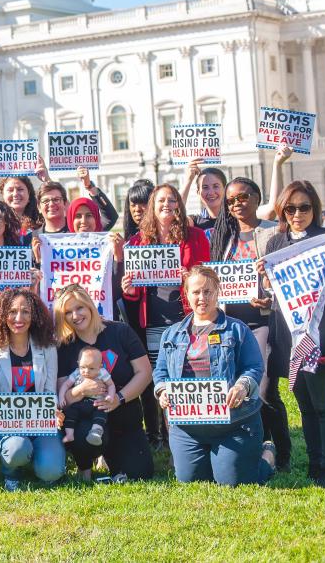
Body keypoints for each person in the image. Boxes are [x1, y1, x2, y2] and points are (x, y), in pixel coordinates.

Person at [153, 266, 275, 486]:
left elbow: (254, 367)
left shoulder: (237, 330)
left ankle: (267, 457)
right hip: (187, 427)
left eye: (208, 291)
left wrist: (242, 386)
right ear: (187, 294)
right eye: (196, 292)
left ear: (218, 292)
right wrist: (162, 390)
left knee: (233, 484)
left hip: (234, 422)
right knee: (191, 482)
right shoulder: (170, 334)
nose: (202, 298)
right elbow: (160, 371)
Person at [208, 177, 290, 470]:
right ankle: (256, 446)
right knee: (237, 389)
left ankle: (282, 452)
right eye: (231, 201)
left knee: (265, 390)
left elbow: (286, 278)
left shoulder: (274, 233)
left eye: (243, 197)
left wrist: (271, 298)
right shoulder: (222, 237)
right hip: (231, 326)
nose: (237, 204)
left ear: (257, 197)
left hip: (264, 322)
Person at [261, 181, 325, 485]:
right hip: (288, 336)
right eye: (290, 208)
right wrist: (265, 286)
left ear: (314, 209)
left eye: (304, 207)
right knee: (305, 406)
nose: (297, 214)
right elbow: (275, 292)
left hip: (320, 335)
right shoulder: (275, 244)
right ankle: (316, 465)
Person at [122, 183, 209, 449]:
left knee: (188, 376)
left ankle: (188, 438)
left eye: (172, 200)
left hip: (187, 318)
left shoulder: (195, 236)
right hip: (154, 322)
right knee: (163, 379)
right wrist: (128, 288)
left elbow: (206, 277)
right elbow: (133, 295)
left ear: (179, 205)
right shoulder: (137, 242)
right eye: (161, 200)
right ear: (152, 206)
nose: (166, 205)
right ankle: (166, 439)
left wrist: (190, 276)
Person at [54, 285, 154, 482]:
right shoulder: (64, 347)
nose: (75, 315)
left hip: (125, 419)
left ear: (90, 306)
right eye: (68, 312)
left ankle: (111, 457)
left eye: (80, 308)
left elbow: (145, 373)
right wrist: (81, 391)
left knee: (140, 474)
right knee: (84, 437)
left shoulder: (120, 331)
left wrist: (119, 398)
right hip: (86, 420)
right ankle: (84, 465)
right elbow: (63, 398)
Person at [0, 288, 66, 491]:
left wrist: (53, 412)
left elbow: (49, 392)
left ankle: (41, 455)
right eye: (12, 312)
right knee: (17, 450)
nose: (19, 318)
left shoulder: (47, 348)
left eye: (26, 312)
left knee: (51, 472)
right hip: (8, 426)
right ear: (3, 315)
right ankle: (11, 472)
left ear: (34, 315)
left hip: (41, 425)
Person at [181, 146, 292, 227]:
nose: (211, 192)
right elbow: (174, 216)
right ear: (198, 192)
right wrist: (188, 181)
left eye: (216, 186)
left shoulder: (239, 214)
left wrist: (277, 164)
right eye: (205, 187)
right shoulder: (194, 222)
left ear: (225, 190)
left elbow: (272, 209)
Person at [59, 346, 115, 446]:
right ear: (78, 363)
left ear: (100, 366)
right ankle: (69, 434)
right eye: (83, 367)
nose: (86, 371)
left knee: (101, 414)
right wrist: (61, 397)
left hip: (96, 403)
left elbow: (111, 385)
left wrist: (110, 396)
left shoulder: (102, 373)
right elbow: (66, 384)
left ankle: (95, 432)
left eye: (91, 368)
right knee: (70, 413)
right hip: (79, 402)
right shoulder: (77, 373)